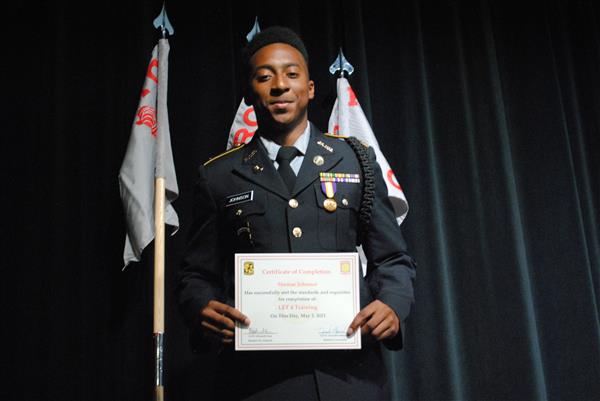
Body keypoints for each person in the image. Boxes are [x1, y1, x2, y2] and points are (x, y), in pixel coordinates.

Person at [177, 26, 416, 401]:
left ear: (310, 88)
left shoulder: (356, 160)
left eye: (291, 74)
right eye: (264, 76)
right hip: (257, 382)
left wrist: (392, 305)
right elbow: (196, 273)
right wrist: (201, 308)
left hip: (348, 380)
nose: (279, 85)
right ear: (249, 92)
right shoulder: (219, 176)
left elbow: (393, 258)